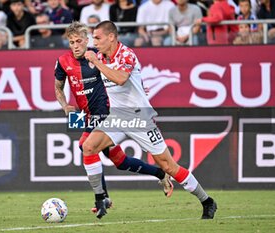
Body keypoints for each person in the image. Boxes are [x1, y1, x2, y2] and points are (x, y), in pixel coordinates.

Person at [83, 20, 217, 219]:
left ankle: (207, 201)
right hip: (118, 116)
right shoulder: (100, 56)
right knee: (88, 147)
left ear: (111, 37)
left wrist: (96, 62)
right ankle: (100, 198)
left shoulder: (126, 54)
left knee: (169, 166)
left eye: (97, 37)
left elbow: (120, 79)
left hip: (140, 117)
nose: (94, 42)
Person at [54, 21, 174, 218]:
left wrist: (138, 89)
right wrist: (65, 105)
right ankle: (160, 174)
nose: (75, 46)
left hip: (109, 112)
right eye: (71, 42)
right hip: (84, 114)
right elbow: (58, 87)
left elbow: (124, 75)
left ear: (87, 40)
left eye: (79, 41)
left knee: (85, 145)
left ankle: (102, 198)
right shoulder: (62, 61)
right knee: (119, 161)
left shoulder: (99, 56)